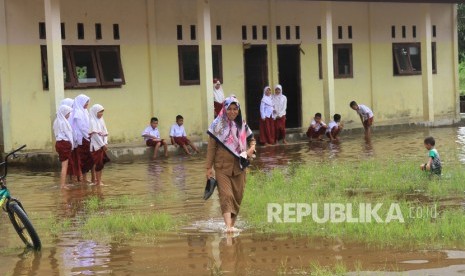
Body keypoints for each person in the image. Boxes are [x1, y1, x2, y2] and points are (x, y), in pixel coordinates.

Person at [205, 95, 256, 233]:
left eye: (235, 109)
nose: (232, 112)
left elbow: (252, 139)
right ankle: (228, 226)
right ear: (224, 109)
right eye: (229, 109)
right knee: (226, 195)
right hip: (222, 166)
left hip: (240, 166)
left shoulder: (242, 124)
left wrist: (251, 149)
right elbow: (211, 148)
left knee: (238, 196)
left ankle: (232, 225)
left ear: (238, 110)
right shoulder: (217, 125)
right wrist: (208, 168)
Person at [70, 94, 94, 183]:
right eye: (86, 102)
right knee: (84, 158)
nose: (87, 104)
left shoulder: (85, 111)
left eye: (88, 102)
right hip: (82, 138)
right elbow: (82, 127)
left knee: (89, 158)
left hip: (88, 137)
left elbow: (88, 124)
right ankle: (84, 178)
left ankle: (89, 177)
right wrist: (88, 136)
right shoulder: (78, 112)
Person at [53, 105, 74, 189]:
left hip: (58, 142)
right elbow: (69, 135)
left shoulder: (56, 121)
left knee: (64, 165)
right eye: (68, 113)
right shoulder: (64, 122)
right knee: (64, 166)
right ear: (64, 113)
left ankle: (63, 183)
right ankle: (62, 184)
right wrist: (72, 145)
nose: (69, 115)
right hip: (64, 143)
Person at [89, 104, 110, 185]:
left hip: (101, 145)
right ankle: (98, 181)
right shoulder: (92, 121)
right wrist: (102, 145)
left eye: (102, 112)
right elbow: (95, 135)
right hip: (96, 146)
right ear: (95, 112)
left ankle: (99, 180)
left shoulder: (101, 120)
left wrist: (105, 142)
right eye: (99, 112)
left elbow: (105, 132)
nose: (101, 114)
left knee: (101, 163)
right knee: (98, 163)